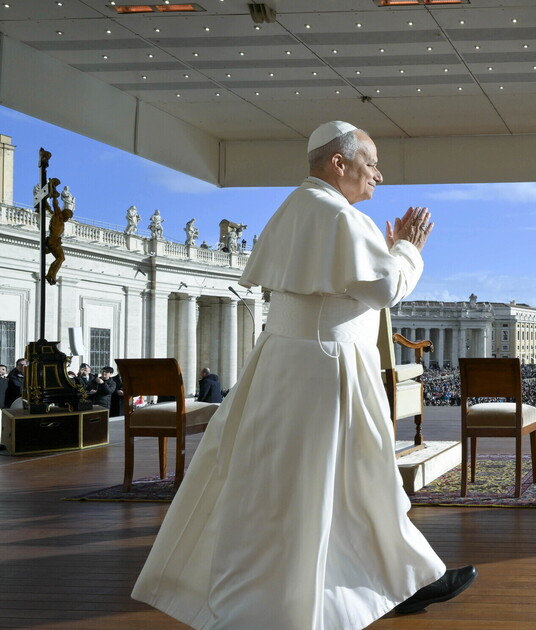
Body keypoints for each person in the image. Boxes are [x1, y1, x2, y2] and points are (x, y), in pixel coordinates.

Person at [132, 121, 474, 630]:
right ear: (339, 162)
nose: (378, 174)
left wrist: (379, 249)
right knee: (351, 482)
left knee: (304, 487)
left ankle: (401, 578)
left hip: (287, 367)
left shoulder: (300, 208)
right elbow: (383, 288)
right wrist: (407, 249)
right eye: (371, 162)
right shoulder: (337, 216)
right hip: (328, 371)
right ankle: (375, 584)